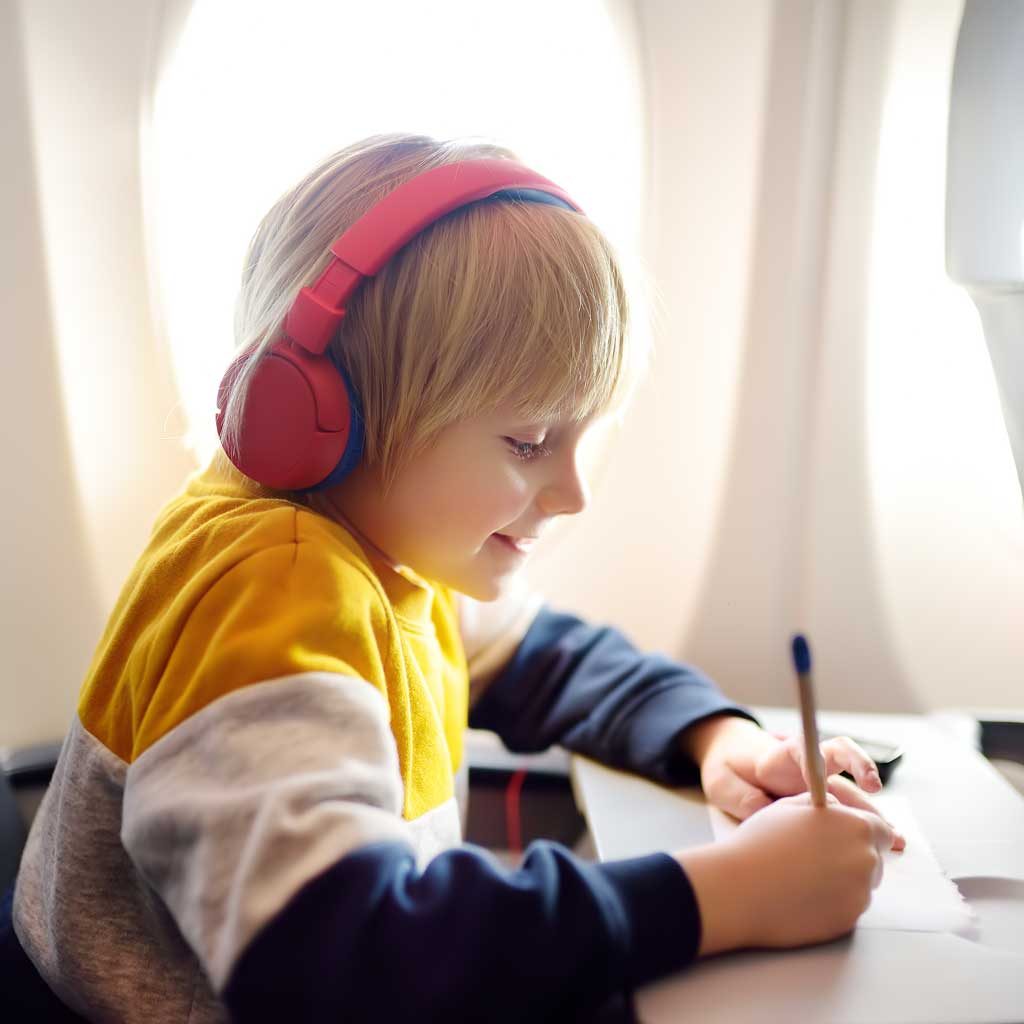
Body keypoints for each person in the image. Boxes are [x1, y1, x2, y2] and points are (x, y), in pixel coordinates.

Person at [1, 133, 905, 1023]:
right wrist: (730, 893)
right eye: (529, 441)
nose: (575, 494)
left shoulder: (390, 556)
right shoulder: (274, 592)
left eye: (583, 439)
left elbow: (551, 659)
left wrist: (721, 742)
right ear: (325, 412)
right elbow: (343, 959)